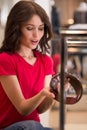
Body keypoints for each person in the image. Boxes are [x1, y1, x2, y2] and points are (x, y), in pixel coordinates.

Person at [0, 1, 55, 129]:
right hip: (8, 127)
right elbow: (23, 109)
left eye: (41, 28)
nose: (36, 35)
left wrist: (54, 92)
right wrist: (43, 93)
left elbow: (41, 109)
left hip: (34, 126)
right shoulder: (5, 60)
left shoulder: (46, 61)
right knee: (31, 126)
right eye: (30, 28)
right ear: (16, 28)